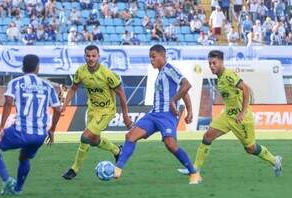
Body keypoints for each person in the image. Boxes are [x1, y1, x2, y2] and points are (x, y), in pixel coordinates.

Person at [178, 50, 282, 179]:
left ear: (221, 62)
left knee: (250, 149)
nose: (211, 66)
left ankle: (274, 160)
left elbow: (246, 89)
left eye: (214, 63)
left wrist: (242, 112)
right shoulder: (220, 77)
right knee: (207, 137)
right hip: (227, 115)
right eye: (210, 63)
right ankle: (195, 169)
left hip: (241, 119)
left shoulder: (228, 75)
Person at [114, 44, 202, 185]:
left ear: (163, 56)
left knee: (171, 145)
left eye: (153, 57)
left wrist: (185, 107)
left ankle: (193, 173)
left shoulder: (169, 69)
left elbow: (186, 85)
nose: (151, 60)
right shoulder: (160, 73)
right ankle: (117, 168)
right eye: (150, 57)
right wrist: (188, 108)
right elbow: (183, 90)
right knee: (130, 136)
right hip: (154, 114)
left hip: (167, 115)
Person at [0, 54, 61, 195]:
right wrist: (52, 130)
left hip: (21, 131)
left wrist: (1, 128)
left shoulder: (16, 83)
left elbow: (8, 102)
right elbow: (57, 109)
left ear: (23, 67)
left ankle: (7, 180)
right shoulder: (48, 86)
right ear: (38, 68)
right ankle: (17, 189)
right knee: (24, 157)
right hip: (39, 135)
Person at [62, 45, 133, 180]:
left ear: (98, 57)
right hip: (92, 110)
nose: (91, 59)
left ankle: (74, 169)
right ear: (84, 56)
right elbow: (73, 88)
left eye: (94, 56)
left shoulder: (107, 74)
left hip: (107, 110)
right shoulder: (81, 72)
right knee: (93, 140)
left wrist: (125, 115)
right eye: (88, 56)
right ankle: (117, 150)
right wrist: (64, 105)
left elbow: (121, 93)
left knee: (85, 137)